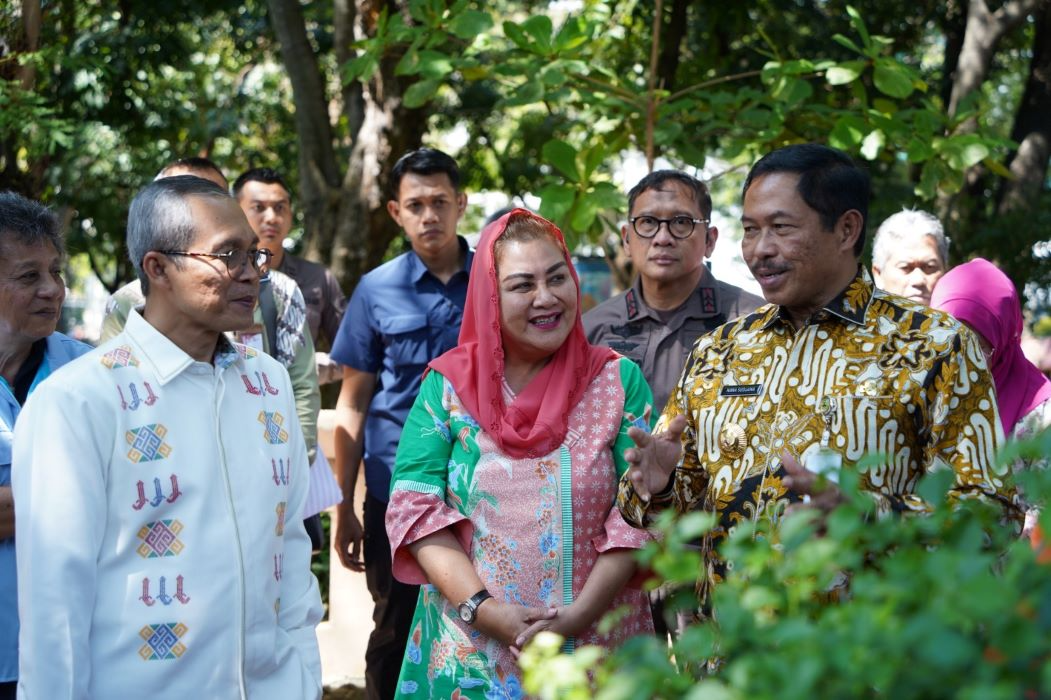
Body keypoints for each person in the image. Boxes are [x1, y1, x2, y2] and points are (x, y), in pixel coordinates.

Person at [617, 144, 1018, 609]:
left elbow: (992, 515)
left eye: (781, 228)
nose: (760, 250)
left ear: (846, 229)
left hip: (871, 663)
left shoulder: (933, 345)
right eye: (750, 231)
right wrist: (659, 484)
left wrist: (872, 520)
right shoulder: (719, 351)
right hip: (733, 660)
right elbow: (658, 508)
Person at [13, 176, 323, 698]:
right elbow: (54, 608)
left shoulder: (268, 383)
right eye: (228, 255)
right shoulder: (80, 400)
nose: (251, 274)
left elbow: (290, 550)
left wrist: (303, 677)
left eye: (255, 255)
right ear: (158, 268)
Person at [386, 208, 654, 697]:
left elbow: (635, 514)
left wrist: (578, 617)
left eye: (557, 278)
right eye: (522, 285)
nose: (546, 298)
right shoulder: (447, 388)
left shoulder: (617, 381)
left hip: (601, 646)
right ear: (489, 297)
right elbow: (415, 509)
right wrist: (488, 613)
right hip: (472, 651)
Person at [330, 147, 471, 700]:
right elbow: (354, 403)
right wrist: (345, 507)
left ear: (461, 203)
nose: (429, 215)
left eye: (440, 201)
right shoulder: (375, 289)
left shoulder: (497, 280)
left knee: (476, 623)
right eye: (416, 205)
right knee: (394, 625)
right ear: (395, 212)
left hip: (477, 491)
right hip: (396, 496)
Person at [585, 170, 764, 431]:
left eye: (681, 222)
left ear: (710, 240)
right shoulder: (592, 330)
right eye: (647, 222)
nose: (663, 238)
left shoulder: (753, 322)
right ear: (626, 238)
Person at [0, 192, 91, 700]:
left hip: (71, 649)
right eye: (29, 276)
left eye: (55, 272)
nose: (53, 290)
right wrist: (71, 497)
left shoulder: (95, 374)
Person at [930, 257, 1051, 534]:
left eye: (978, 349)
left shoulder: (1041, 416)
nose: (961, 362)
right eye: (948, 344)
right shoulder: (923, 392)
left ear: (1003, 342)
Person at [233, 168, 346, 385]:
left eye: (279, 208)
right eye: (258, 208)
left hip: (299, 404)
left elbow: (353, 353)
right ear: (235, 212)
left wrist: (313, 369)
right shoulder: (223, 276)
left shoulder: (318, 278)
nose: (272, 218)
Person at [871, 207, 949, 305]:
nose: (919, 280)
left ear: (946, 273)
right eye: (905, 267)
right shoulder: (852, 318)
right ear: (878, 274)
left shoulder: (962, 319)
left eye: (930, 267)